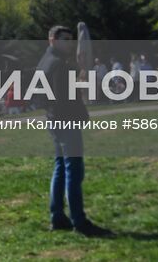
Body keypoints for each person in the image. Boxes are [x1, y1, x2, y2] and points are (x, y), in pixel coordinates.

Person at [37, 24, 111, 238]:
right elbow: (66, 96)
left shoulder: (45, 61)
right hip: (65, 121)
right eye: (65, 39)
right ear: (52, 40)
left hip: (54, 120)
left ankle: (57, 216)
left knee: (61, 167)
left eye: (71, 39)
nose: (69, 43)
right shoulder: (58, 64)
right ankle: (79, 221)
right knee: (73, 171)